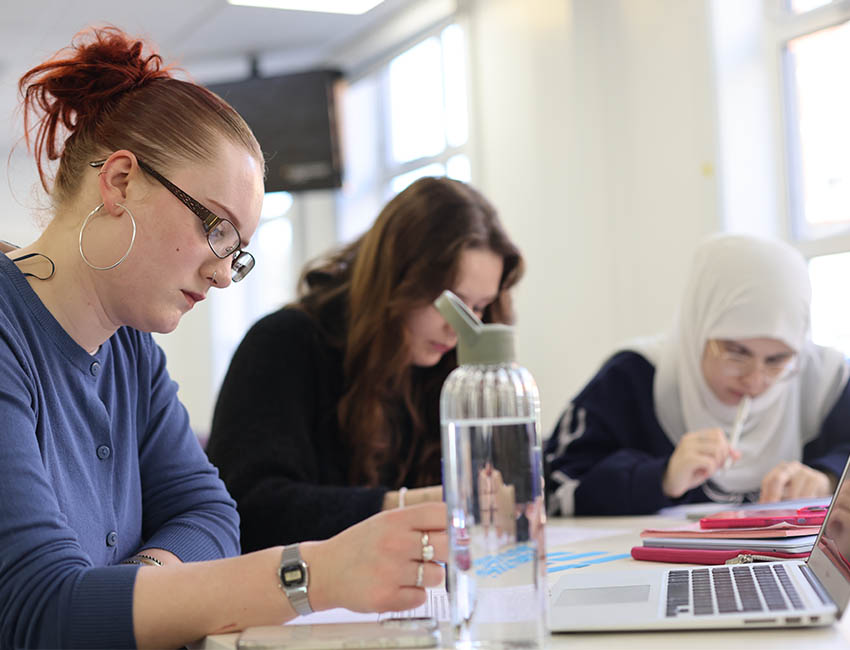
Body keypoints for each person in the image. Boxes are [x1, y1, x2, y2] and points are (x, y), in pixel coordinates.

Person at [0, 26, 447, 650]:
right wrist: (313, 574)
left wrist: (136, 583)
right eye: (216, 228)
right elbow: (40, 613)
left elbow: (212, 515)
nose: (222, 271)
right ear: (121, 181)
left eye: (237, 253)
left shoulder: (132, 352)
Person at [206, 176, 524, 550]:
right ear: (397, 278)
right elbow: (249, 510)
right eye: (450, 302)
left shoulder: (448, 369)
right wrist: (410, 507)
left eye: (478, 308)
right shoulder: (283, 343)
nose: (458, 328)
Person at [545, 233, 850, 516]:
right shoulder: (632, 377)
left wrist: (829, 478)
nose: (755, 380)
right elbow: (553, 488)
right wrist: (660, 477)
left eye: (777, 359)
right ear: (697, 329)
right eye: (737, 353)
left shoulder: (826, 379)